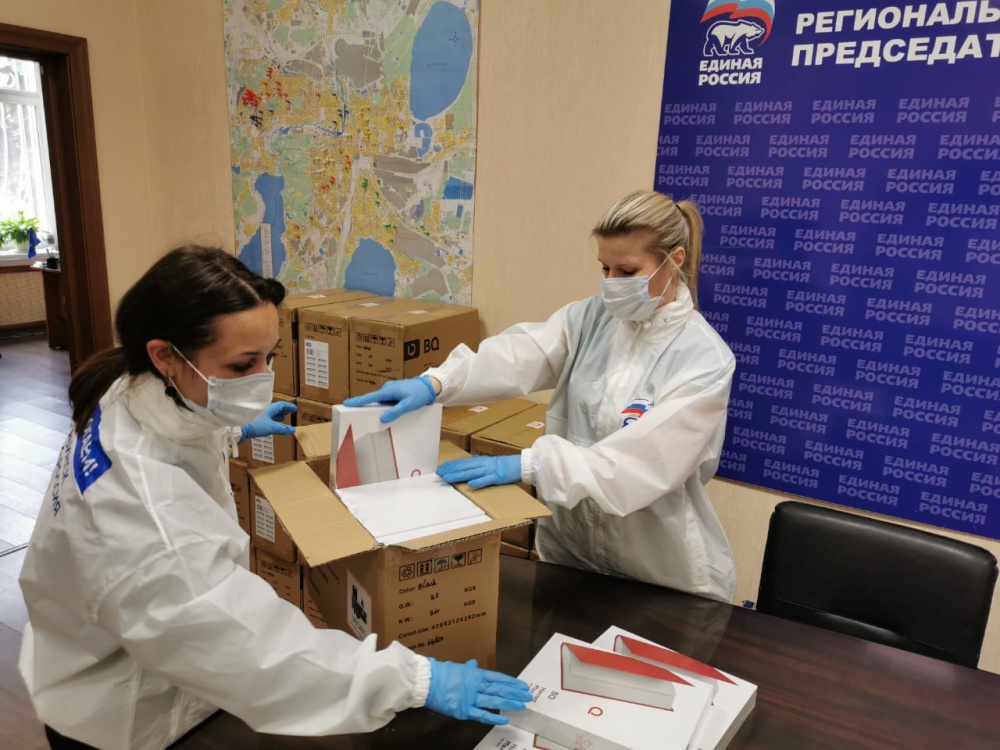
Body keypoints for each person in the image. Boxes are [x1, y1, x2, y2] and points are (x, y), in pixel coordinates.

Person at [18, 246, 531, 750]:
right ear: (165, 356)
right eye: (243, 365)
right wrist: (414, 680)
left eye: (270, 357)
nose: (263, 379)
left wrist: (226, 430)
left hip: (105, 648)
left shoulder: (129, 387)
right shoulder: (149, 521)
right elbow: (252, 651)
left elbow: (167, 441)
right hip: (125, 711)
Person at [346, 190, 737, 603]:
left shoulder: (703, 360)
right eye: (604, 268)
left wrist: (531, 464)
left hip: (659, 576)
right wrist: (438, 383)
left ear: (675, 260)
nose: (611, 284)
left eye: (627, 271)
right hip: (571, 558)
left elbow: (638, 465)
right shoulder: (591, 319)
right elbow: (520, 355)